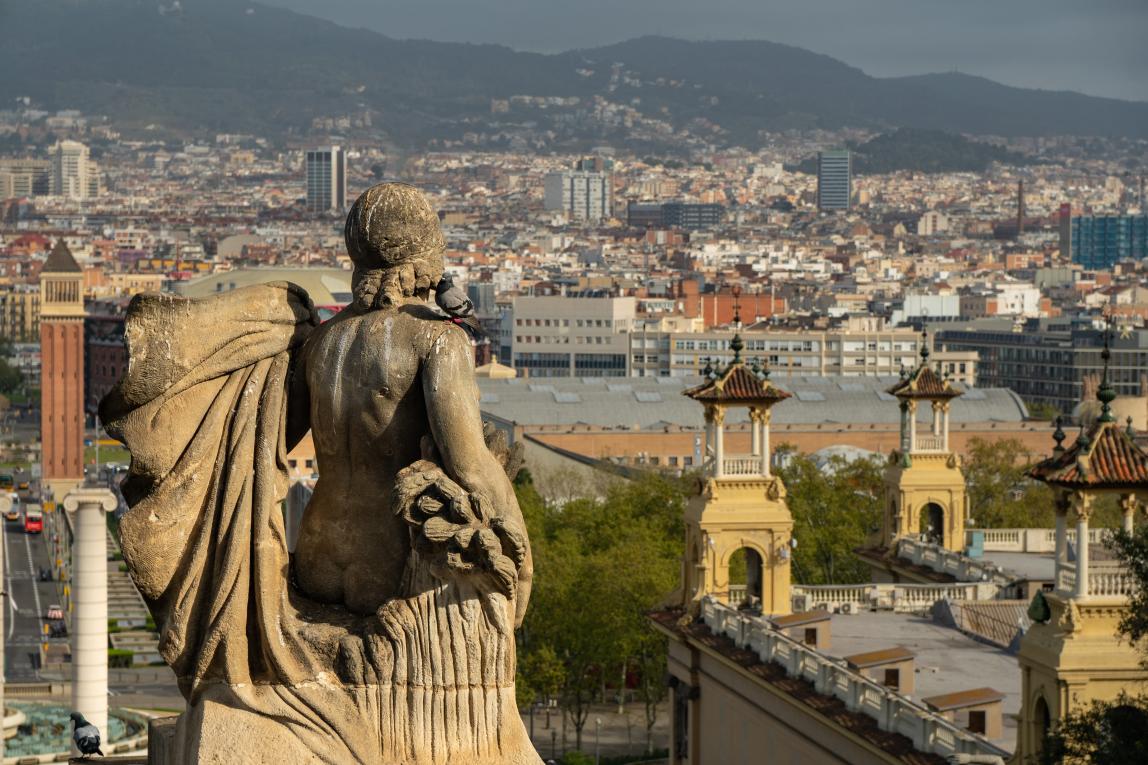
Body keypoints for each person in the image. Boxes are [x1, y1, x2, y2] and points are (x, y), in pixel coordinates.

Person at [289, 181, 532, 620]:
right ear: (427, 253)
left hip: (315, 553)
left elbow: (275, 441)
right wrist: (523, 559)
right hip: (391, 563)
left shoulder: (320, 341)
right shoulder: (436, 339)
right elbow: (470, 465)